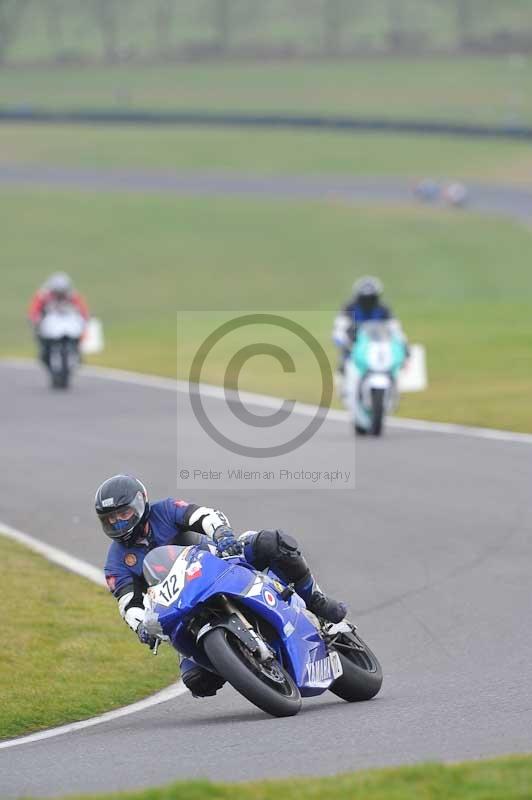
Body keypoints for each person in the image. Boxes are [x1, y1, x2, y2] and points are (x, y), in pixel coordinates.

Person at [95, 474, 347, 698]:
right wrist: (141, 626)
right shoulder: (115, 563)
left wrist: (222, 534)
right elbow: (128, 603)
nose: (118, 522)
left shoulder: (166, 510)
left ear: (140, 504)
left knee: (274, 543)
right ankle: (241, 659)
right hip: (183, 608)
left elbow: (204, 515)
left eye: (123, 514)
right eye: (111, 519)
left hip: (218, 562)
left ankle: (314, 598)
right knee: (198, 682)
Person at [332, 276, 392, 376]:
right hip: (355, 350)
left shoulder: (383, 309)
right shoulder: (349, 307)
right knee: (347, 371)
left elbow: (394, 328)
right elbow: (339, 327)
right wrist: (342, 340)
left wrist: (403, 344)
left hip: (378, 348)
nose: (368, 302)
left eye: (371, 299)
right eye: (364, 299)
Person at [28, 273, 90, 366]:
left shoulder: (72, 295)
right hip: (50, 324)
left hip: (66, 324)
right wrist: (36, 319)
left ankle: (77, 353)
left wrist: (84, 318)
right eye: (57, 291)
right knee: (39, 333)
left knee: (78, 332)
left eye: (62, 291)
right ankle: (43, 351)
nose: (60, 294)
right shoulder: (44, 295)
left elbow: (82, 309)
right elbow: (34, 309)